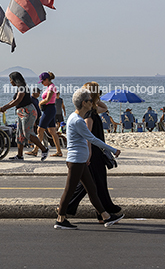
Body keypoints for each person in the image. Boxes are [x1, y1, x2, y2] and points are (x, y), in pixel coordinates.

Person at [55, 88, 124, 229]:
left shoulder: (74, 118)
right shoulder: (78, 121)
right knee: (69, 191)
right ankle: (60, 220)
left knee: (92, 189)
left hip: (79, 160)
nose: (93, 102)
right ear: (84, 103)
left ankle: (106, 217)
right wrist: (113, 149)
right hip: (76, 161)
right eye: (91, 100)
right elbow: (93, 139)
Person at [0, 72, 49, 161]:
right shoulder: (20, 88)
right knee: (19, 134)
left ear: (15, 80)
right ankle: (20, 155)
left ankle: (44, 149)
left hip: (28, 112)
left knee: (27, 133)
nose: (10, 82)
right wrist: (4, 107)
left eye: (11, 80)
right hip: (21, 113)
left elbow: (18, 100)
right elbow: (13, 101)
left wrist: (5, 107)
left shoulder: (22, 87)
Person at [37, 72, 63, 157]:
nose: (41, 83)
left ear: (47, 80)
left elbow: (48, 99)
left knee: (40, 130)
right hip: (50, 109)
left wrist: (40, 103)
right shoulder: (49, 87)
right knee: (52, 131)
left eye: (42, 81)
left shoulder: (52, 87)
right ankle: (59, 151)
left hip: (49, 109)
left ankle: (36, 150)